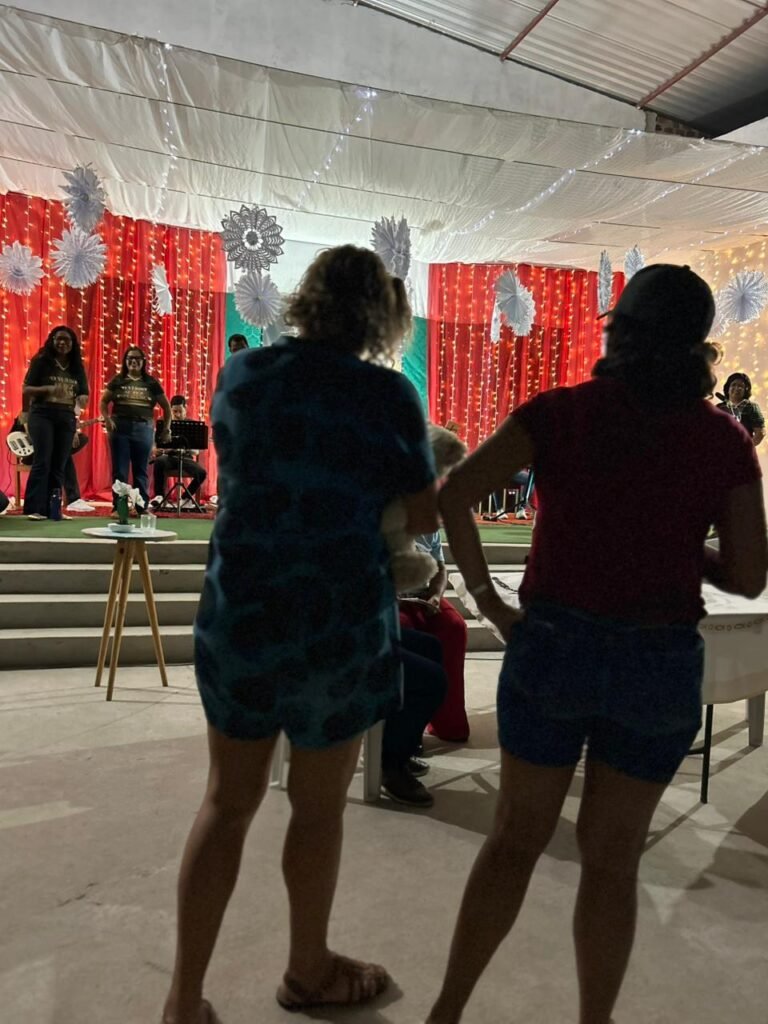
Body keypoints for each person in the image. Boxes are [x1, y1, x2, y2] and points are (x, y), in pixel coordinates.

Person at [426, 264, 767, 1024]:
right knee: (612, 863)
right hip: (658, 660)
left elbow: (454, 495)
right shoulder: (721, 441)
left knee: (514, 840)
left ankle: (446, 1013)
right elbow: (750, 576)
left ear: (621, 329)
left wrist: (489, 602)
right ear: (698, 346)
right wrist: (678, 545)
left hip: (554, 644)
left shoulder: (561, 413)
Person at [161, 245, 438, 1024]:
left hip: (241, 615)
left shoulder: (242, 374)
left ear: (306, 297)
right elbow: (422, 511)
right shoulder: (388, 395)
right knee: (318, 810)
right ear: (382, 315)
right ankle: (308, 970)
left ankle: (183, 998)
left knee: (226, 801)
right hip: (336, 626)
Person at [400, 532, 469, 742]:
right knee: (403, 629)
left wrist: (436, 596)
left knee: (454, 627)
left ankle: (448, 721)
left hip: (422, 596)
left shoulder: (429, 526)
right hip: (389, 597)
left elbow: (440, 568)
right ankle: (404, 730)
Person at [22, 325, 89, 520]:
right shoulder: (41, 361)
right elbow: (26, 389)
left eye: (67, 340)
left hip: (66, 416)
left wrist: (83, 398)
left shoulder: (77, 366)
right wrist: (48, 389)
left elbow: (83, 392)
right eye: (59, 339)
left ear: (72, 344)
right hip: (42, 414)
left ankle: (53, 509)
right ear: (52, 341)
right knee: (43, 461)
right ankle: (35, 508)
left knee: (59, 464)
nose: (62, 343)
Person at [381, 627, 448, 808]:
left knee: (430, 646)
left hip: (366, 627)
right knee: (433, 680)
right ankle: (391, 766)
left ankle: (397, 747)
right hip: (344, 637)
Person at [101, 347, 172, 511]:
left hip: (143, 428)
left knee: (141, 470)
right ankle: (119, 507)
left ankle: (141, 507)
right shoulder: (118, 380)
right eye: (130, 358)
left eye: (137, 359)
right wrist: (107, 418)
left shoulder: (151, 382)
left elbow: (166, 407)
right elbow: (103, 401)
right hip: (120, 428)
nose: (134, 361)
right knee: (120, 470)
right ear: (125, 361)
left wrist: (167, 429)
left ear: (143, 362)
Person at [10, 409, 94, 513]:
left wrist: (72, 433)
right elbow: (19, 439)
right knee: (63, 455)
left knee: (71, 447)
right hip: (31, 454)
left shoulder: (54, 414)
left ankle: (69, 500)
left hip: (49, 450)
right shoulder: (28, 415)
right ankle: (73, 499)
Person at [151, 395, 207, 509]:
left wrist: (186, 447)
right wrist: (155, 449)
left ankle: (186, 498)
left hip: (186, 458)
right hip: (168, 457)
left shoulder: (192, 424)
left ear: (185, 409)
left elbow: (196, 452)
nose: (177, 414)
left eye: (180, 411)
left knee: (202, 473)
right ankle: (159, 496)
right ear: (170, 410)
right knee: (159, 462)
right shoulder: (164, 423)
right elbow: (154, 443)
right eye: (174, 411)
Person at [717, 372, 765, 446]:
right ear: (728, 388)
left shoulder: (751, 407)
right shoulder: (719, 408)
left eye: (741, 386)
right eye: (733, 385)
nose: (737, 388)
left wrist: (746, 448)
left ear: (746, 390)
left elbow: (760, 433)